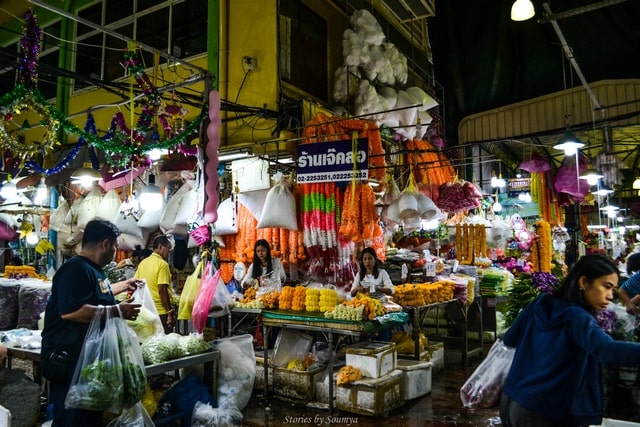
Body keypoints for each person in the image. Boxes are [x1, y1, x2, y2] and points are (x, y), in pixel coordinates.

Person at [500, 254, 640, 427]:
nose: (611, 296)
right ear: (583, 282)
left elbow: (510, 338)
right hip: (544, 411)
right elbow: (606, 350)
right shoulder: (578, 317)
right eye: (606, 287)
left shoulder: (541, 302)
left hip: (512, 402)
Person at [41, 219, 141, 427]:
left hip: (87, 359)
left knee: (88, 416)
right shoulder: (75, 270)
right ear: (105, 244)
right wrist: (117, 310)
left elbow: (96, 294)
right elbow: (71, 312)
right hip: (69, 359)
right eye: (114, 246)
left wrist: (124, 285)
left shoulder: (94, 270)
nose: (115, 251)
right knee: (73, 418)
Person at [135, 235, 175, 333]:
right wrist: (169, 312)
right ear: (161, 246)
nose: (169, 251)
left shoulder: (143, 263)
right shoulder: (162, 264)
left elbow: (136, 283)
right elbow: (162, 290)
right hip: (160, 312)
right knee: (164, 344)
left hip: (146, 311)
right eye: (168, 247)